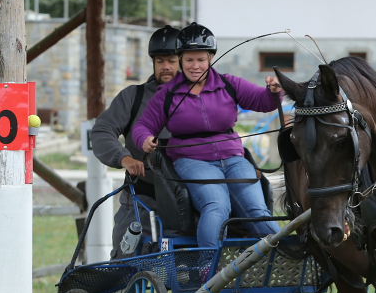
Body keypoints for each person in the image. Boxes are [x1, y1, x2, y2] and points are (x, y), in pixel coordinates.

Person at [132, 23, 282, 248]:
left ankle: (286, 258)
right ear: (180, 59)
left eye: (201, 59)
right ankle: (208, 271)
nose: (195, 66)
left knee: (257, 209)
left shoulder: (229, 84)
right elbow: (142, 126)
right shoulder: (168, 93)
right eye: (189, 60)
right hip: (191, 161)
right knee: (217, 205)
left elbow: (262, 101)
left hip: (234, 160)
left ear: (211, 58)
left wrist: (274, 91)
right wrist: (144, 138)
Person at [91, 25, 179, 258]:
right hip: (141, 199)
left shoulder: (198, 98)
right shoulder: (133, 96)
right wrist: (124, 158)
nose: (166, 67)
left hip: (187, 202)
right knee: (124, 265)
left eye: (171, 60)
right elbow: (102, 130)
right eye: (160, 61)